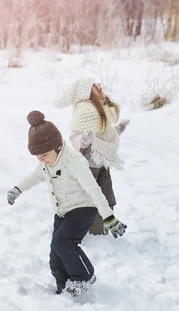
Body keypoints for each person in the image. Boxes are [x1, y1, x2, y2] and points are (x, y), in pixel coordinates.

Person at [6, 111, 127, 296]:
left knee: (63, 243)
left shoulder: (75, 162)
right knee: (55, 254)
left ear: (57, 147)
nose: (41, 159)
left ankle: (85, 277)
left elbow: (94, 190)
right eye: (37, 156)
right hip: (62, 212)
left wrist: (109, 217)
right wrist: (17, 189)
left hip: (83, 209)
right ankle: (63, 287)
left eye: (44, 154)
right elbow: (34, 177)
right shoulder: (46, 163)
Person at [54, 77, 129, 235]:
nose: (100, 85)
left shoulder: (102, 110)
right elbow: (76, 137)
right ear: (87, 92)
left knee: (107, 195)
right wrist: (84, 140)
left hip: (102, 163)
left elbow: (105, 133)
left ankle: (106, 227)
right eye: (94, 85)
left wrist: (118, 129)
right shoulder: (84, 114)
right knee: (92, 197)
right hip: (88, 167)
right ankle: (94, 234)